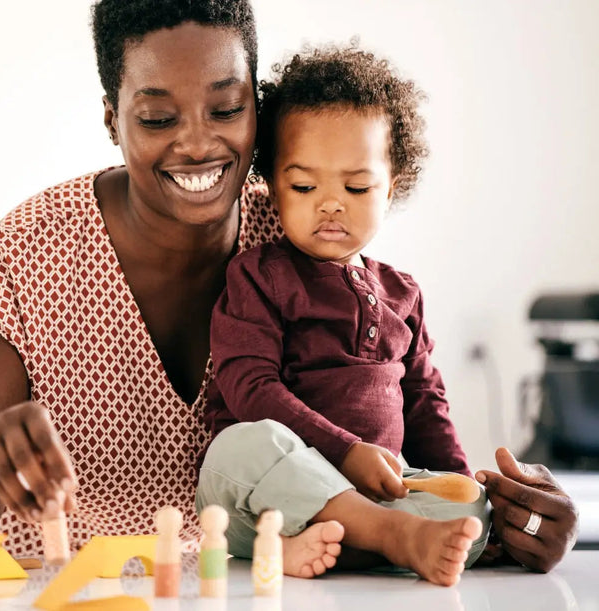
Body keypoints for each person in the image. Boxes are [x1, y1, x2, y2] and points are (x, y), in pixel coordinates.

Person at [0, 0, 579, 576]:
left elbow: (391, 414)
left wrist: (505, 520)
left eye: (225, 109)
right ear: (112, 118)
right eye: (157, 118)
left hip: (203, 580)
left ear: (258, 111)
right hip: (15, 580)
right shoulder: (35, 248)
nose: (196, 143)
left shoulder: (299, 229)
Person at [195, 43, 574, 586]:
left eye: (356, 186)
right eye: (304, 186)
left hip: (382, 492)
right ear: (273, 189)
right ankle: (380, 539)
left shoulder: (403, 293)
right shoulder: (259, 276)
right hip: (262, 494)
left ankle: (340, 543)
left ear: (391, 189)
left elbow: (425, 405)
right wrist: (346, 452)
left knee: (470, 508)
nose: (330, 203)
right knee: (242, 446)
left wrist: (464, 485)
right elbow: (249, 388)